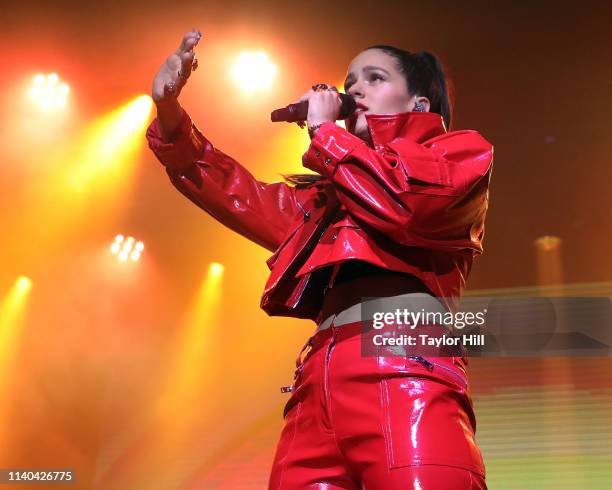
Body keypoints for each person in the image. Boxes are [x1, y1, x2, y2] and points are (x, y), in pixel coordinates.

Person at [147, 29, 493, 490]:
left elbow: (408, 205)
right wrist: (169, 112)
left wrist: (325, 133)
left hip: (405, 370)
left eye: (374, 77)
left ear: (420, 105)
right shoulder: (326, 200)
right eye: (350, 81)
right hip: (316, 384)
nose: (354, 90)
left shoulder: (458, 153)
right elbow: (233, 192)